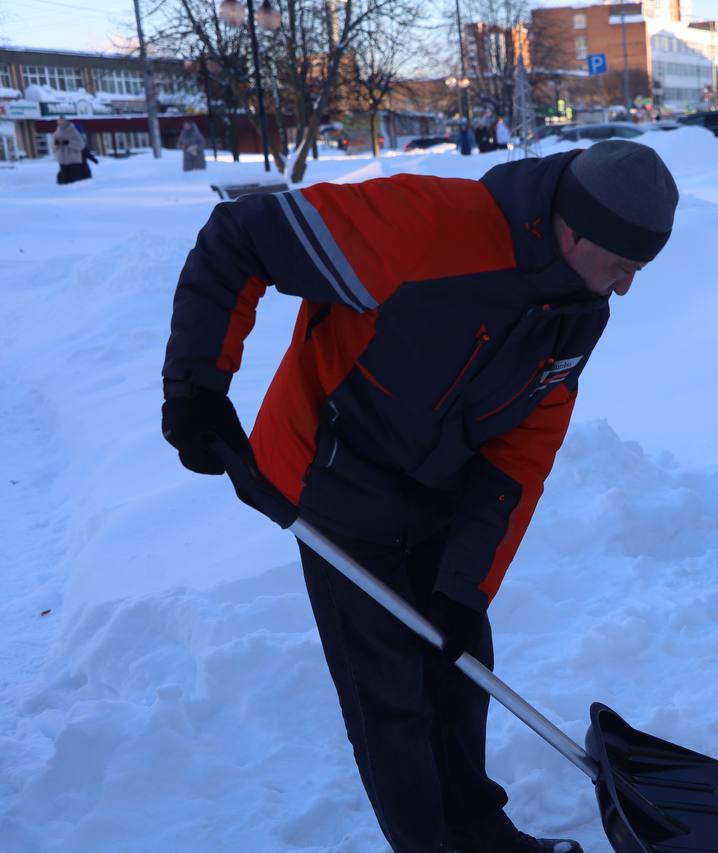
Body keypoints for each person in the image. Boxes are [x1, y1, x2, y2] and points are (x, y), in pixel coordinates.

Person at [159, 140, 679, 852]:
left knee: (461, 668)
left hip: (440, 483)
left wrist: (466, 586)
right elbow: (239, 237)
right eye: (624, 266)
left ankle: (479, 832)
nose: (625, 288)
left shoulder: (576, 312)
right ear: (574, 231)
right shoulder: (428, 224)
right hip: (333, 477)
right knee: (389, 697)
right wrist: (196, 386)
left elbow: (520, 454)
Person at [52, 117, 90, 185]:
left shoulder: (73, 131)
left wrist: (68, 142)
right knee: (64, 182)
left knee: (75, 181)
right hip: (62, 160)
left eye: (62, 122)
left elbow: (81, 145)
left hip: (74, 161)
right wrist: (57, 143)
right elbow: (53, 147)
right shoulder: (57, 132)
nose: (60, 124)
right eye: (58, 122)